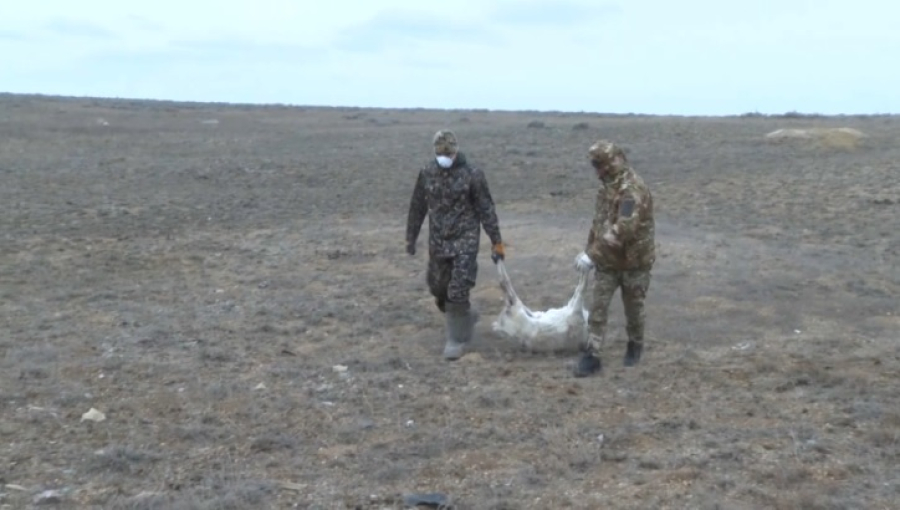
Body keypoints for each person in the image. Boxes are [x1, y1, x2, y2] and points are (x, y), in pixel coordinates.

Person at [406, 130, 506, 360]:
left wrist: (496, 242)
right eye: (441, 153)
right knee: (438, 288)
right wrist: (410, 237)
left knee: (458, 288)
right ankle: (466, 316)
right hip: (439, 241)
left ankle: (456, 340)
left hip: (465, 239)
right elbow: (417, 207)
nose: (445, 157)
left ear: (456, 151)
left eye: (448, 153)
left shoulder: (472, 174)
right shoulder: (428, 172)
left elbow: (486, 209)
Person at [573, 140, 655, 377]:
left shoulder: (632, 189)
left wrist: (592, 255)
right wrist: (589, 250)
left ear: (612, 163)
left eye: (599, 165)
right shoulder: (606, 188)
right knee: (598, 309)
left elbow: (624, 229)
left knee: (634, 309)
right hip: (608, 263)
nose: (596, 171)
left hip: (634, 263)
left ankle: (635, 345)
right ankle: (592, 355)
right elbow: (599, 225)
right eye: (594, 165)